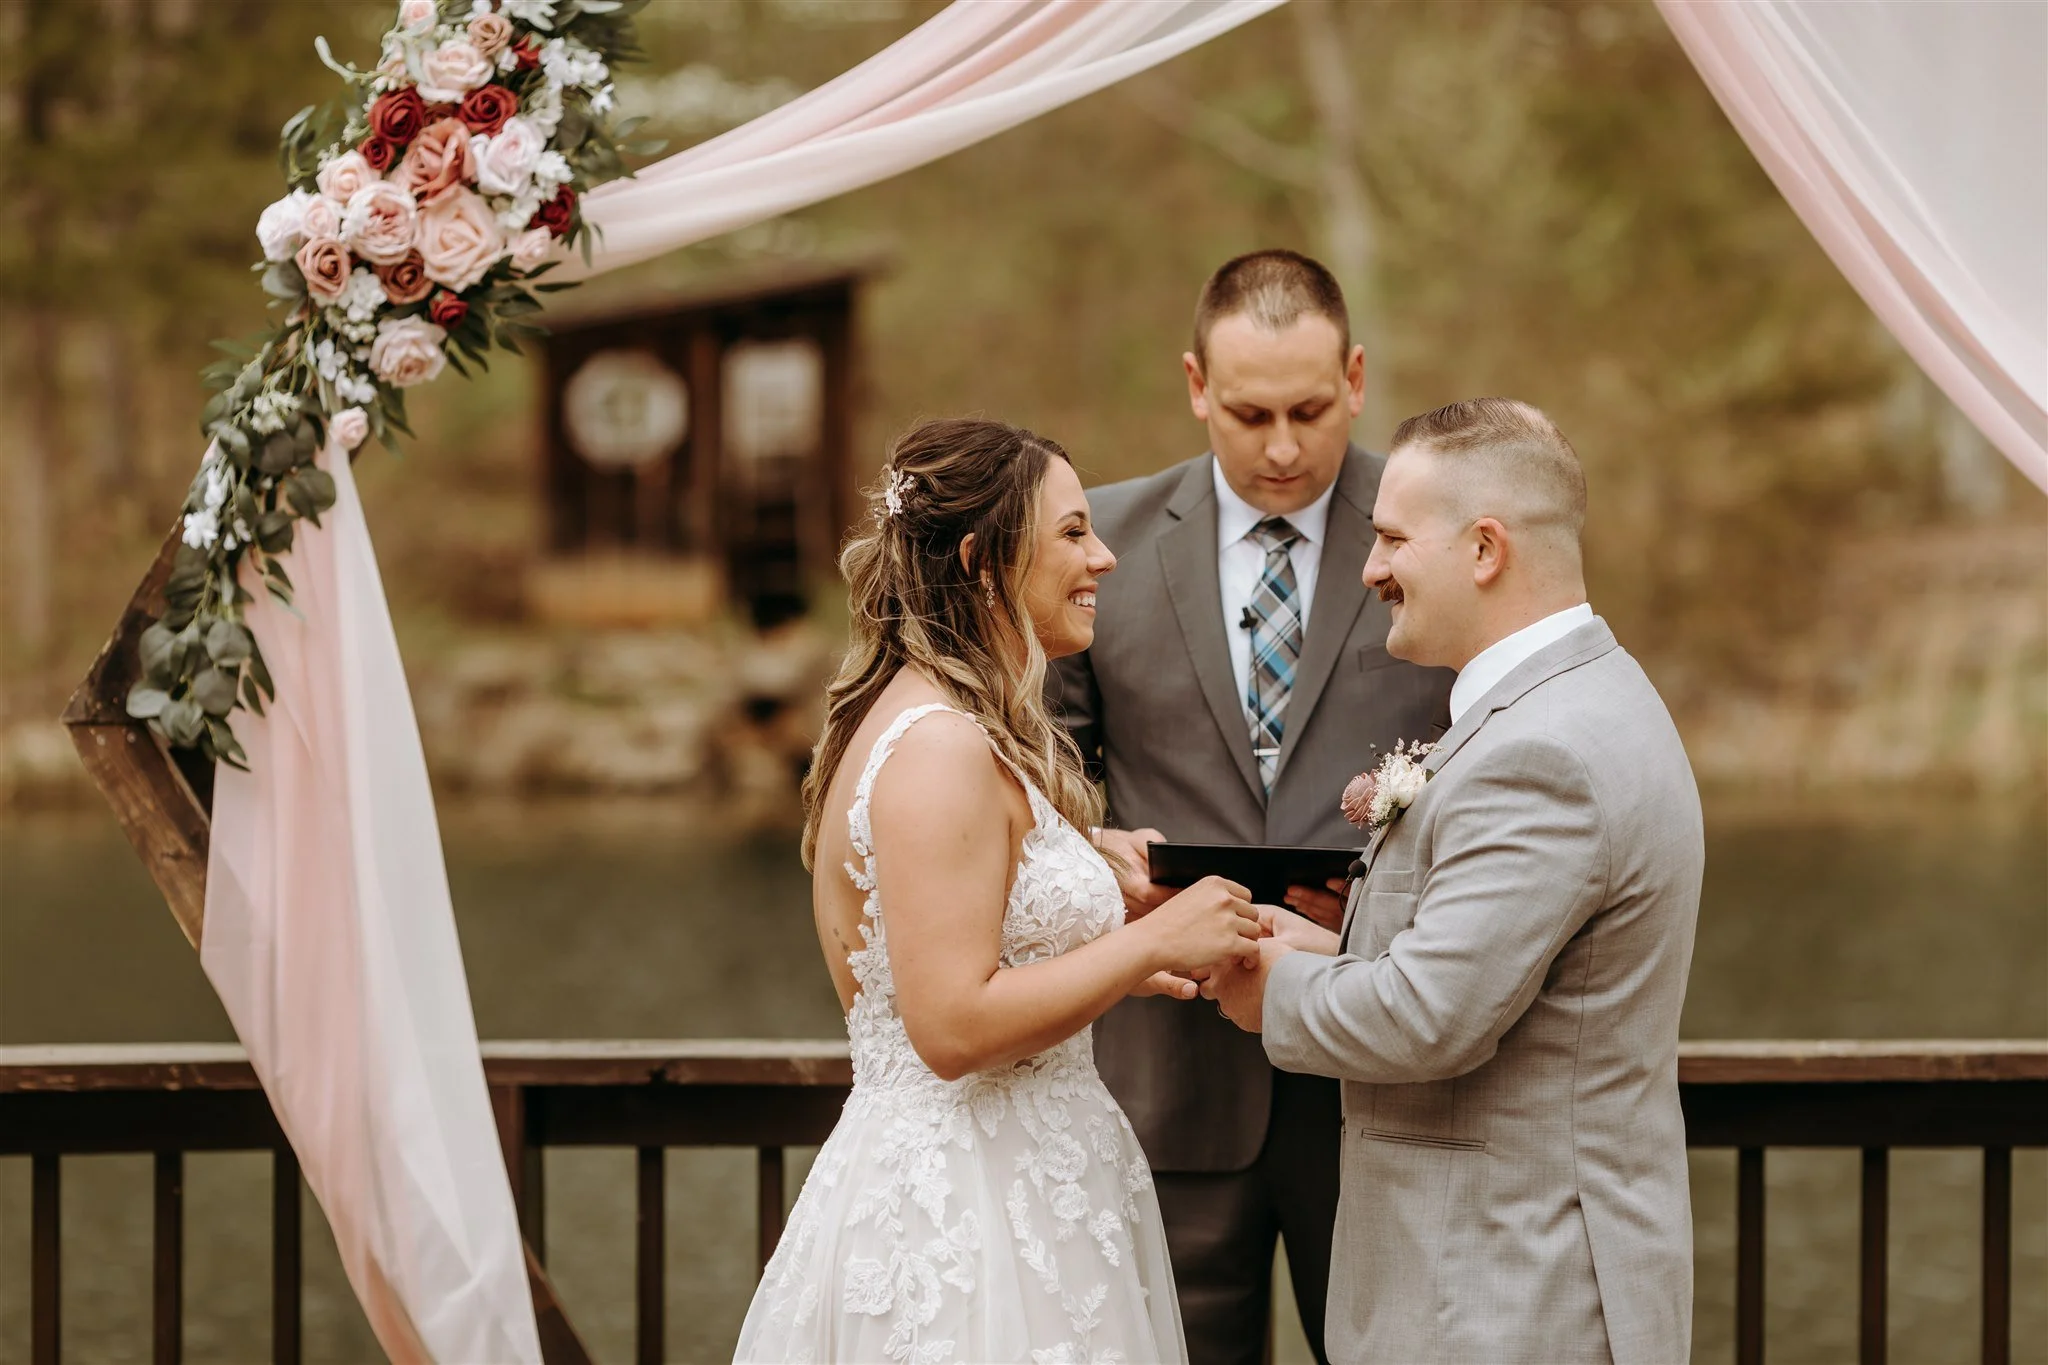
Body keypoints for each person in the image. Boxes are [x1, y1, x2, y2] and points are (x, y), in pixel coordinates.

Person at [736, 417, 1266, 1365]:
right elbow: (949, 1027)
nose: (1104, 555)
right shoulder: (939, 743)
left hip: (1034, 1186)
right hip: (967, 1218)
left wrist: (1103, 920)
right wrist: (1145, 943)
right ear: (984, 560)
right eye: (1071, 533)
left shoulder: (948, 720)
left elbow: (976, 942)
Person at [1206, 398, 1702, 1364]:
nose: (1369, 568)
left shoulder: (1544, 753)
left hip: (1507, 1291)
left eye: (1391, 538)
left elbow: (1431, 1013)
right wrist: (1330, 949)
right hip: (1501, 1276)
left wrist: (1265, 989)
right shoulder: (1577, 702)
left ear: (1484, 549)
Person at [1050, 250, 1452, 1365]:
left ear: (1358, 377)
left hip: (1377, 1084)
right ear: (1193, 386)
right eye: (1248, 413)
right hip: (1163, 1076)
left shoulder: (1438, 539)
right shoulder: (1097, 545)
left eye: (1310, 411)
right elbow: (1043, 775)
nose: (1281, 447)